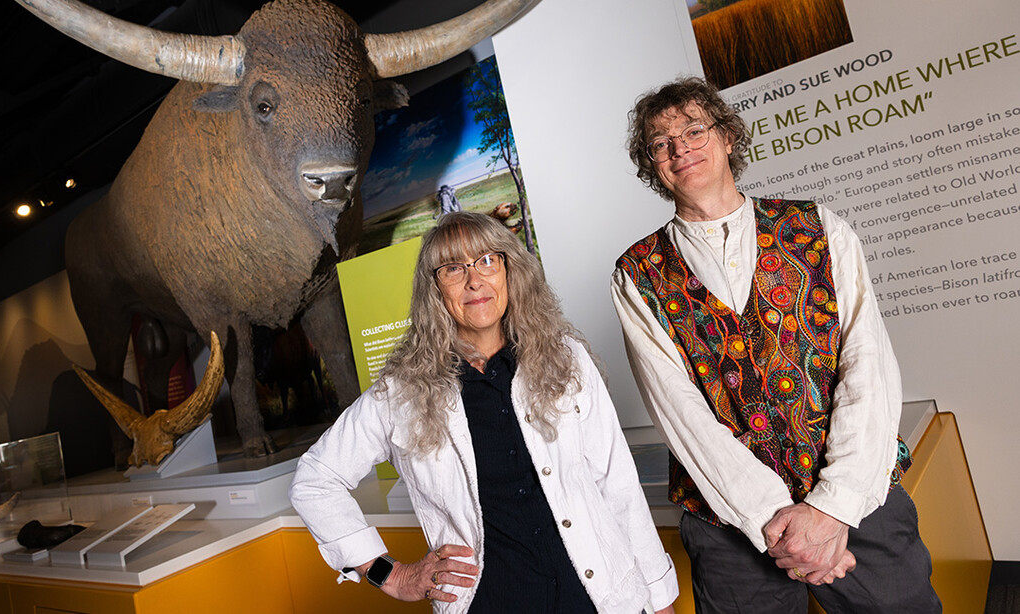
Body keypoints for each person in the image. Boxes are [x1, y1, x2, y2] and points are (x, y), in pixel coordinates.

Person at [611, 77, 941, 613]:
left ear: (727, 138)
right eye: (661, 144)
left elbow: (867, 365)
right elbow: (678, 411)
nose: (680, 149)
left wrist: (833, 508)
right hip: (730, 524)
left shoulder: (819, 226)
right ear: (653, 164)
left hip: (857, 495)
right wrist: (779, 524)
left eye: (694, 131)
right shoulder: (636, 273)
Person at [290, 211, 678, 613]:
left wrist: (659, 596)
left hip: (600, 599)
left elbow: (617, 484)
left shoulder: (566, 359)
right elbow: (315, 480)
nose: (474, 280)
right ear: (435, 289)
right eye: (453, 268)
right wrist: (390, 574)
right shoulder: (401, 393)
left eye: (487, 261)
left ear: (510, 271)